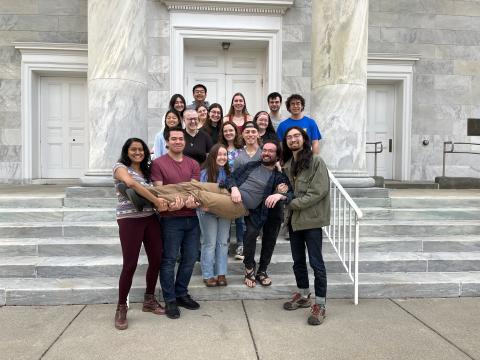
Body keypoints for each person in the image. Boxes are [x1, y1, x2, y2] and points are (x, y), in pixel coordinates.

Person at [112, 138, 169, 330]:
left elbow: (153, 192)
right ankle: (121, 307)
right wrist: (156, 199)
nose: (137, 152)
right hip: (129, 220)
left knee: (156, 259)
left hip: (149, 218)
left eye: (141, 149)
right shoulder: (120, 167)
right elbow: (131, 184)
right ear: (126, 151)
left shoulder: (146, 171)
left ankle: (149, 300)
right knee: (130, 264)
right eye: (133, 149)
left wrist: (162, 203)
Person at [151, 127, 202, 319]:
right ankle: (170, 299)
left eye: (181, 138)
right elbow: (160, 193)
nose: (178, 141)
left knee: (189, 259)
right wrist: (178, 199)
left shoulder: (193, 164)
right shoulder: (158, 164)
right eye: (174, 139)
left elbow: (195, 191)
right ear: (167, 142)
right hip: (170, 220)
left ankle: (181, 294)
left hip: (192, 218)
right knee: (169, 259)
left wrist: (190, 199)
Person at [281, 126, 330, 326]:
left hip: (311, 219)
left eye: (296, 136)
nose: (293, 139)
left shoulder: (316, 162)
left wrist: (290, 202)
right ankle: (303, 295)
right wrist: (282, 189)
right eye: (289, 137)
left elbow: (318, 192)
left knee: (316, 263)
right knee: (298, 261)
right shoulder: (287, 165)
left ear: (304, 139)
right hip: (294, 220)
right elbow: (287, 190)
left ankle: (320, 304)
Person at [228, 140, 294, 288]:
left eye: (271, 151)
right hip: (255, 211)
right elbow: (231, 177)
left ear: (277, 155)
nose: (266, 153)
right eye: (264, 150)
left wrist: (281, 195)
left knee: (269, 241)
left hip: (273, 212)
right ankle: (249, 268)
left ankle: (262, 270)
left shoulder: (280, 175)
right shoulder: (251, 166)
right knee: (250, 234)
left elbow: (291, 193)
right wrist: (234, 188)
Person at [197, 144, 232, 287]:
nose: (223, 157)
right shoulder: (204, 173)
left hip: (224, 211)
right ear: (213, 156)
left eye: (225, 154)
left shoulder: (230, 173)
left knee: (223, 242)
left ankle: (221, 273)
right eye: (219, 154)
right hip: (208, 212)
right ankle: (208, 274)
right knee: (209, 242)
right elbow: (200, 192)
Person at [218, 121, 246, 260]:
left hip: (240, 187)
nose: (228, 133)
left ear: (236, 132)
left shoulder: (242, 150)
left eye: (231, 130)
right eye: (225, 131)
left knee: (240, 218)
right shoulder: (220, 149)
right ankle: (226, 244)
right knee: (226, 218)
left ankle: (241, 245)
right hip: (224, 186)